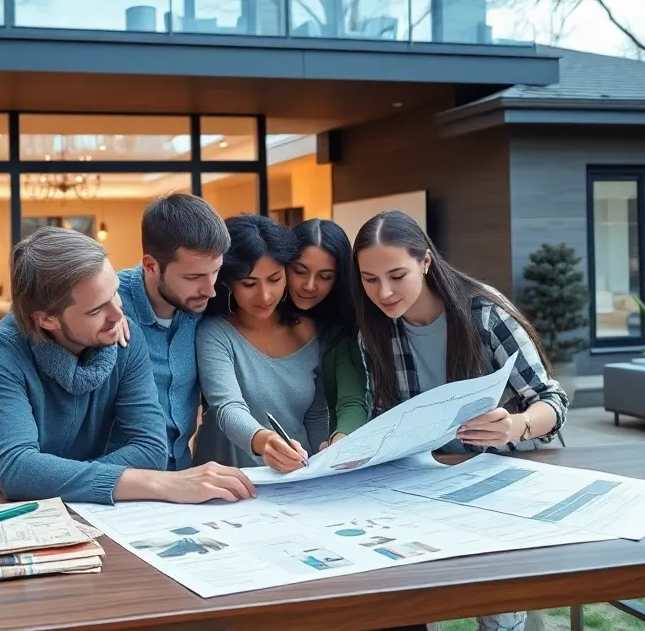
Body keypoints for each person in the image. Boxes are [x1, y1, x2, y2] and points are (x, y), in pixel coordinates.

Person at [352, 209, 567, 631]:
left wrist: (516, 425)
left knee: (499, 605)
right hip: (426, 483)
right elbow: (384, 416)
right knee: (404, 596)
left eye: (397, 275)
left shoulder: (485, 312)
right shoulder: (373, 331)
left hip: (505, 475)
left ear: (425, 261)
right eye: (370, 279)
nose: (384, 292)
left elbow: (551, 401)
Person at [0, 226, 255, 506]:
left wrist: (39, 476)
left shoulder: (125, 337)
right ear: (47, 319)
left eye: (115, 293)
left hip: (82, 503)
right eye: (96, 309)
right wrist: (155, 483)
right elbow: (17, 468)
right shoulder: (2, 349)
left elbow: (151, 450)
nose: (117, 315)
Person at [192, 214, 329, 473]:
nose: (265, 295)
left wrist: (320, 466)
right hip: (226, 477)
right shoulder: (215, 332)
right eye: (249, 283)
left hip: (293, 476)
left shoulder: (308, 330)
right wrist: (264, 442)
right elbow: (227, 407)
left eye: (275, 279)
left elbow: (316, 413)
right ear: (228, 282)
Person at [114, 193, 230, 471]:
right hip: (117, 478)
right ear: (151, 266)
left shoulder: (213, 303)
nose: (210, 290)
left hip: (183, 472)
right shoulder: (108, 306)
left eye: (215, 271)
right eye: (193, 277)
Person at [287, 218, 370, 447]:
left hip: (323, 452)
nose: (309, 285)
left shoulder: (342, 327)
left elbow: (352, 400)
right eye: (300, 271)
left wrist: (341, 441)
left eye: (325, 277)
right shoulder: (260, 315)